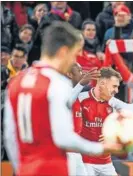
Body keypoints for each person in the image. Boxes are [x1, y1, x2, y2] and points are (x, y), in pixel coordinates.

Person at [4, 21, 122, 176]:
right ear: (63, 51)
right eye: (74, 54)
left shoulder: (17, 81)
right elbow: (63, 138)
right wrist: (103, 148)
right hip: (53, 168)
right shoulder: (57, 83)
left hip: (27, 169)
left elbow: (10, 137)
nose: (76, 59)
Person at [70, 67, 122, 176]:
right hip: (85, 161)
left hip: (106, 162)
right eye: (114, 86)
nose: (116, 91)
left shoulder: (115, 105)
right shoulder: (80, 99)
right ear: (102, 83)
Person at [66, 63, 100, 176]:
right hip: (64, 154)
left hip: (75, 152)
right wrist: (81, 84)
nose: (83, 73)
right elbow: (65, 103)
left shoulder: (78, 94)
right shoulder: (60, 91)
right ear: (69, 74)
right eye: (79, 71)